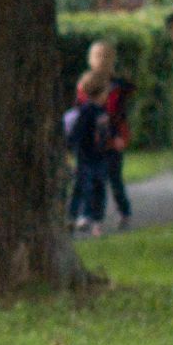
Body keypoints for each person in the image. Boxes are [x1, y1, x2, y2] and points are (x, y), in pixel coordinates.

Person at [88, 40, 134, 229]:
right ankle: (96, 218)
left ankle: (124, 212)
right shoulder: (87, 84)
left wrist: (120, 137)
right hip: (94, 139)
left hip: (113, 138)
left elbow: (120, 114)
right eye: (97, 56)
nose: (100, 60)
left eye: (104, 56)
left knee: (115, 179)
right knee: (96, 180)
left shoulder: (118, 86)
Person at [66, 65, 115, 236]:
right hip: (86, 156)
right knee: (83, 186)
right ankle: (76, 216)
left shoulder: (103, 111)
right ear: (99, 92)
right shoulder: (86, 111)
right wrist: (70, 148)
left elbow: (107, 132)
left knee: (99, 187)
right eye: (106, 92)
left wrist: (112, 141)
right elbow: (77, 132)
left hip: (100, 157)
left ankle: (96, 220)